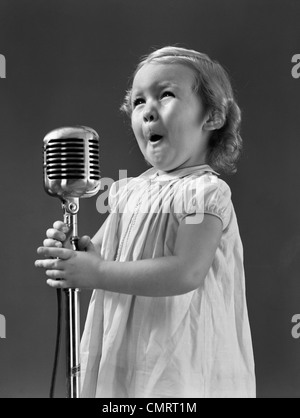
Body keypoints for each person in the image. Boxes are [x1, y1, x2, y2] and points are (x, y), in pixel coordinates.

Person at [35, 46, 256, 398]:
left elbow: (186, 272)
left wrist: (96, 272)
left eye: (165, 95)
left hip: (178, 353)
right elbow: (105, 256)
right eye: (138, 102)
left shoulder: (205, 192)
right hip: (127, 351)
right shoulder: (127, 192)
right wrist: (77, 254)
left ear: (212, 116)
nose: (148, 111)